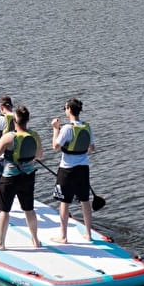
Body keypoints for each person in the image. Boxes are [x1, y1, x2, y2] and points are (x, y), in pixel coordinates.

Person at [0, 105, 43, 250]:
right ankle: (35, 240)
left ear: (15, 121)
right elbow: (39, 155)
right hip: (28, 176)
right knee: (29, 209)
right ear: (27, 120)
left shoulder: (8, 137)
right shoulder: (35, 135)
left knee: (4, 210)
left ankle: (0, 243)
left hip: (10, 177)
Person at [50, 98, 95, 244]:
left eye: (65, 108)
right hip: (83, 168)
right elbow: (91, 148)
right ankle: (88, 234)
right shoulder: (87, 127)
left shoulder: (67, 128)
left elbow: (55, 147)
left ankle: (63, 237)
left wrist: (55, 129)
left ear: (69, 109)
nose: (64, 110)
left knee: (64, 202)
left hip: (67, 169)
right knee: (85, 200)